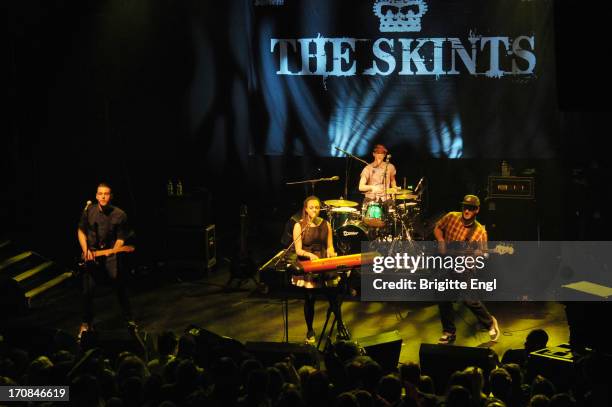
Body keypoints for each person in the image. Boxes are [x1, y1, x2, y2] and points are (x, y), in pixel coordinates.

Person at [433, 194, 500, 344]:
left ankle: (489, 322)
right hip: (448, 263)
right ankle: (448, 331)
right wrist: (441, 241)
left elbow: (483, 253)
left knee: (469, 299)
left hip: (465, 267)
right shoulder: (451, 217)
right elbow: (438, 227)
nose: (467, 210)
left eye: (471, 208)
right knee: (442, 296)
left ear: (477, 210)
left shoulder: (480, 231)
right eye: (465, 207)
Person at [77, 182, 135, 338]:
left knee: (119, 287)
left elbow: (121, 238)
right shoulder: (89, 211)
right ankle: (86, 324)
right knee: (87, 291)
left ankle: (129, 320)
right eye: (100, 193)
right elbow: (81, 231)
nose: (103, 196)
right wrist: (85, 250)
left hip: (110, 256)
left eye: (106, 193)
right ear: (96, 196)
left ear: (111, 196)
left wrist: (115, 250)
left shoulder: (120, 215)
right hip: (91, 254)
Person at [291, 196, 350, 344]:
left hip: (324, 263)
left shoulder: (326, 224)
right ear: (306, 209)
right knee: (310, 299)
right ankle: (310, 330)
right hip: (309, 265)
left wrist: (331, 252)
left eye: (317, 207)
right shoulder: (300, 225)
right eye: (311, 207)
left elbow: (329, 245)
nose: (315, 210)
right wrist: (310, 255)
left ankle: (340, 326)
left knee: (333, 298)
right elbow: (298, 250)